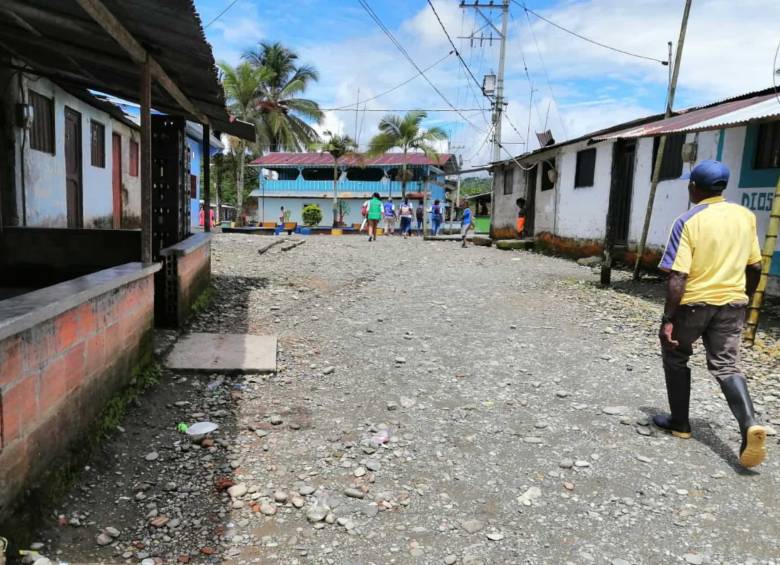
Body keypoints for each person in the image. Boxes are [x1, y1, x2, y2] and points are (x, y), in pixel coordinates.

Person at [655, 160, 766, 468]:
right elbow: (754, 266)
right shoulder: (745, 216)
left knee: (675, 354)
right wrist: (745, 297)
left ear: (694, 187)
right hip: (732, 304)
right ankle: (749, 424)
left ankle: (680, 423)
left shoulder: (688, 220)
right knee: (727, 366)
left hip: (694, 304)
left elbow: (678, 276)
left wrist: (667, 320)